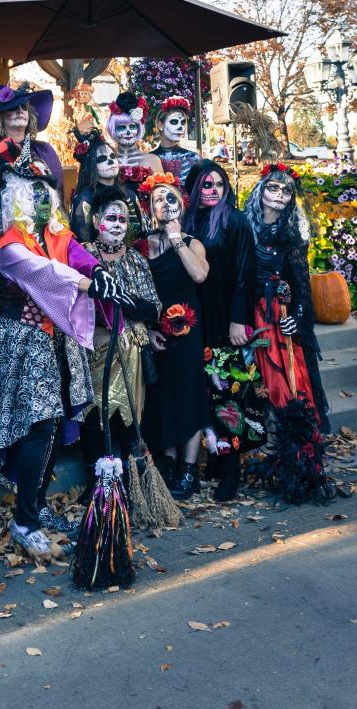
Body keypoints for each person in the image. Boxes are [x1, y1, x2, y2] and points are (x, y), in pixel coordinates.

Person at [0, 140, 132, 559]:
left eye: (45, 193)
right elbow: (45, 274)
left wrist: (100, 271)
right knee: (39, 427)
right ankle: (24, 520)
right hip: (24, 342)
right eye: (31, 193)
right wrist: (89, 284)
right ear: (15, 197)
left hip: (57, 340)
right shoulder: (8, 244)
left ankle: (37, 505)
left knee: (54, 424)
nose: (40, 200)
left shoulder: (56, 233)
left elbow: (77, 255)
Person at [244, 164, 332, 503]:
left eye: (286, 192)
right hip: (254, 318)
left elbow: (302, 284)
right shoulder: (246, 228)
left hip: (281, 320)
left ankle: (301, 465)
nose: (279, 196)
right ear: (261, 191)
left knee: (291, 387)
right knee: (263, 386)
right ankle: (274, 458)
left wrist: (296, 316)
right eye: (273, 189)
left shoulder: (293, 235)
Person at [184, 160, 261, 501]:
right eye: (206, 184)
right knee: (203, 392)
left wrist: (238, 320)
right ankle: (215, 459)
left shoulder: (235, 220)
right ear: (194, 188)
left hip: (224, 319)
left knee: (228, 393)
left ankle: (232, 471)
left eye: (218, 184)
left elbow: (246, 275)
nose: (213, 190)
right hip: (194, 319)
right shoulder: (186, 222)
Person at [79, 185, 161, 485]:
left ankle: (130, 486)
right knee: (93, 417)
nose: (116, 225)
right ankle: (98, 486)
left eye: (123, 220)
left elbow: (153, 308)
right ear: (96, 219)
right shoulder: (83, 254)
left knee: (127, 416)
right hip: (92, 347)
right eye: (111, 218)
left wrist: (121, 299)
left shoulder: (136, 260)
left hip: (129, 349)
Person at [138, 173, 210, 499]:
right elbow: (138, 293)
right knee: (164, 396)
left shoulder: (193, 241)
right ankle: (167, 463)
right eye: (157, 199)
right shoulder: (143, 246)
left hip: (189, 330)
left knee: (189, 393)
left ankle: (189, 469)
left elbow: (199, 274)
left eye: (170, 198)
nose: (164, 204)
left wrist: (177, 238)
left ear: (180, 204)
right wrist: (148, 329)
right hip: (159, 333)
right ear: (150, 208)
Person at [0, 78, 63, 201]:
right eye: (12, 108)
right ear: (0, 117)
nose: (20, 111)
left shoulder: (44, 150)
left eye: (24, 106)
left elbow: (58, 193)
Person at [70, 132, 145, 245]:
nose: (110, 161)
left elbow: (140, 233)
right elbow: (83, 241)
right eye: (102, 159)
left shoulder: (130, 195)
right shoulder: (85, 199)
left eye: (112, 156)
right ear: (92, 165)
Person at [104, 91, 163, 187]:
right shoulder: (105, 162)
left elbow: (161, 195)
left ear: (139, 128)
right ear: (113, 129)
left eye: (132, 127)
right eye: (122, 127)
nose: (128, 132)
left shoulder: (152, 160)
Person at [150, 96, 201, 186]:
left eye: (183, 122)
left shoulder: (194, 158)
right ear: (160, 125)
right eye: (174, 122)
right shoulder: (149, 158)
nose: (180, 127)